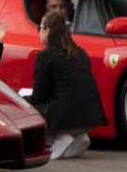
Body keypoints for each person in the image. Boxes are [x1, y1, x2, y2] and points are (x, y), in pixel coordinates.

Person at [27, 12, 104, 160]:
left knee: (26, 107)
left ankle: (58, 139)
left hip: (66, 119)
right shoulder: (80, 52)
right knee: (59, 100)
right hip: (90, 117)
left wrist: (22, 98)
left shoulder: (45, 56)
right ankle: (78, 136)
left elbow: (39, 96)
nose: (39, 32)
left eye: (40, 28)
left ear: (48, 30)